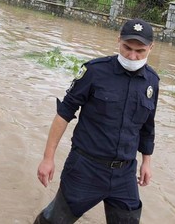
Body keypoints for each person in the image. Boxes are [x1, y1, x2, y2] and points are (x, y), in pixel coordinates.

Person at [34, 19, 160, 224]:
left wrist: (146, 162)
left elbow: (147, 125)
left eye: (140, 51)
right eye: (127, 48)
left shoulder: (152, 81)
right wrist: (48, 158)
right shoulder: (94, 71)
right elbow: (64, 113)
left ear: (151, 48)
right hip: (86, 168)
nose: (132, 56)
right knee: (54, 221)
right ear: (118, 40)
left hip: (124, 173)